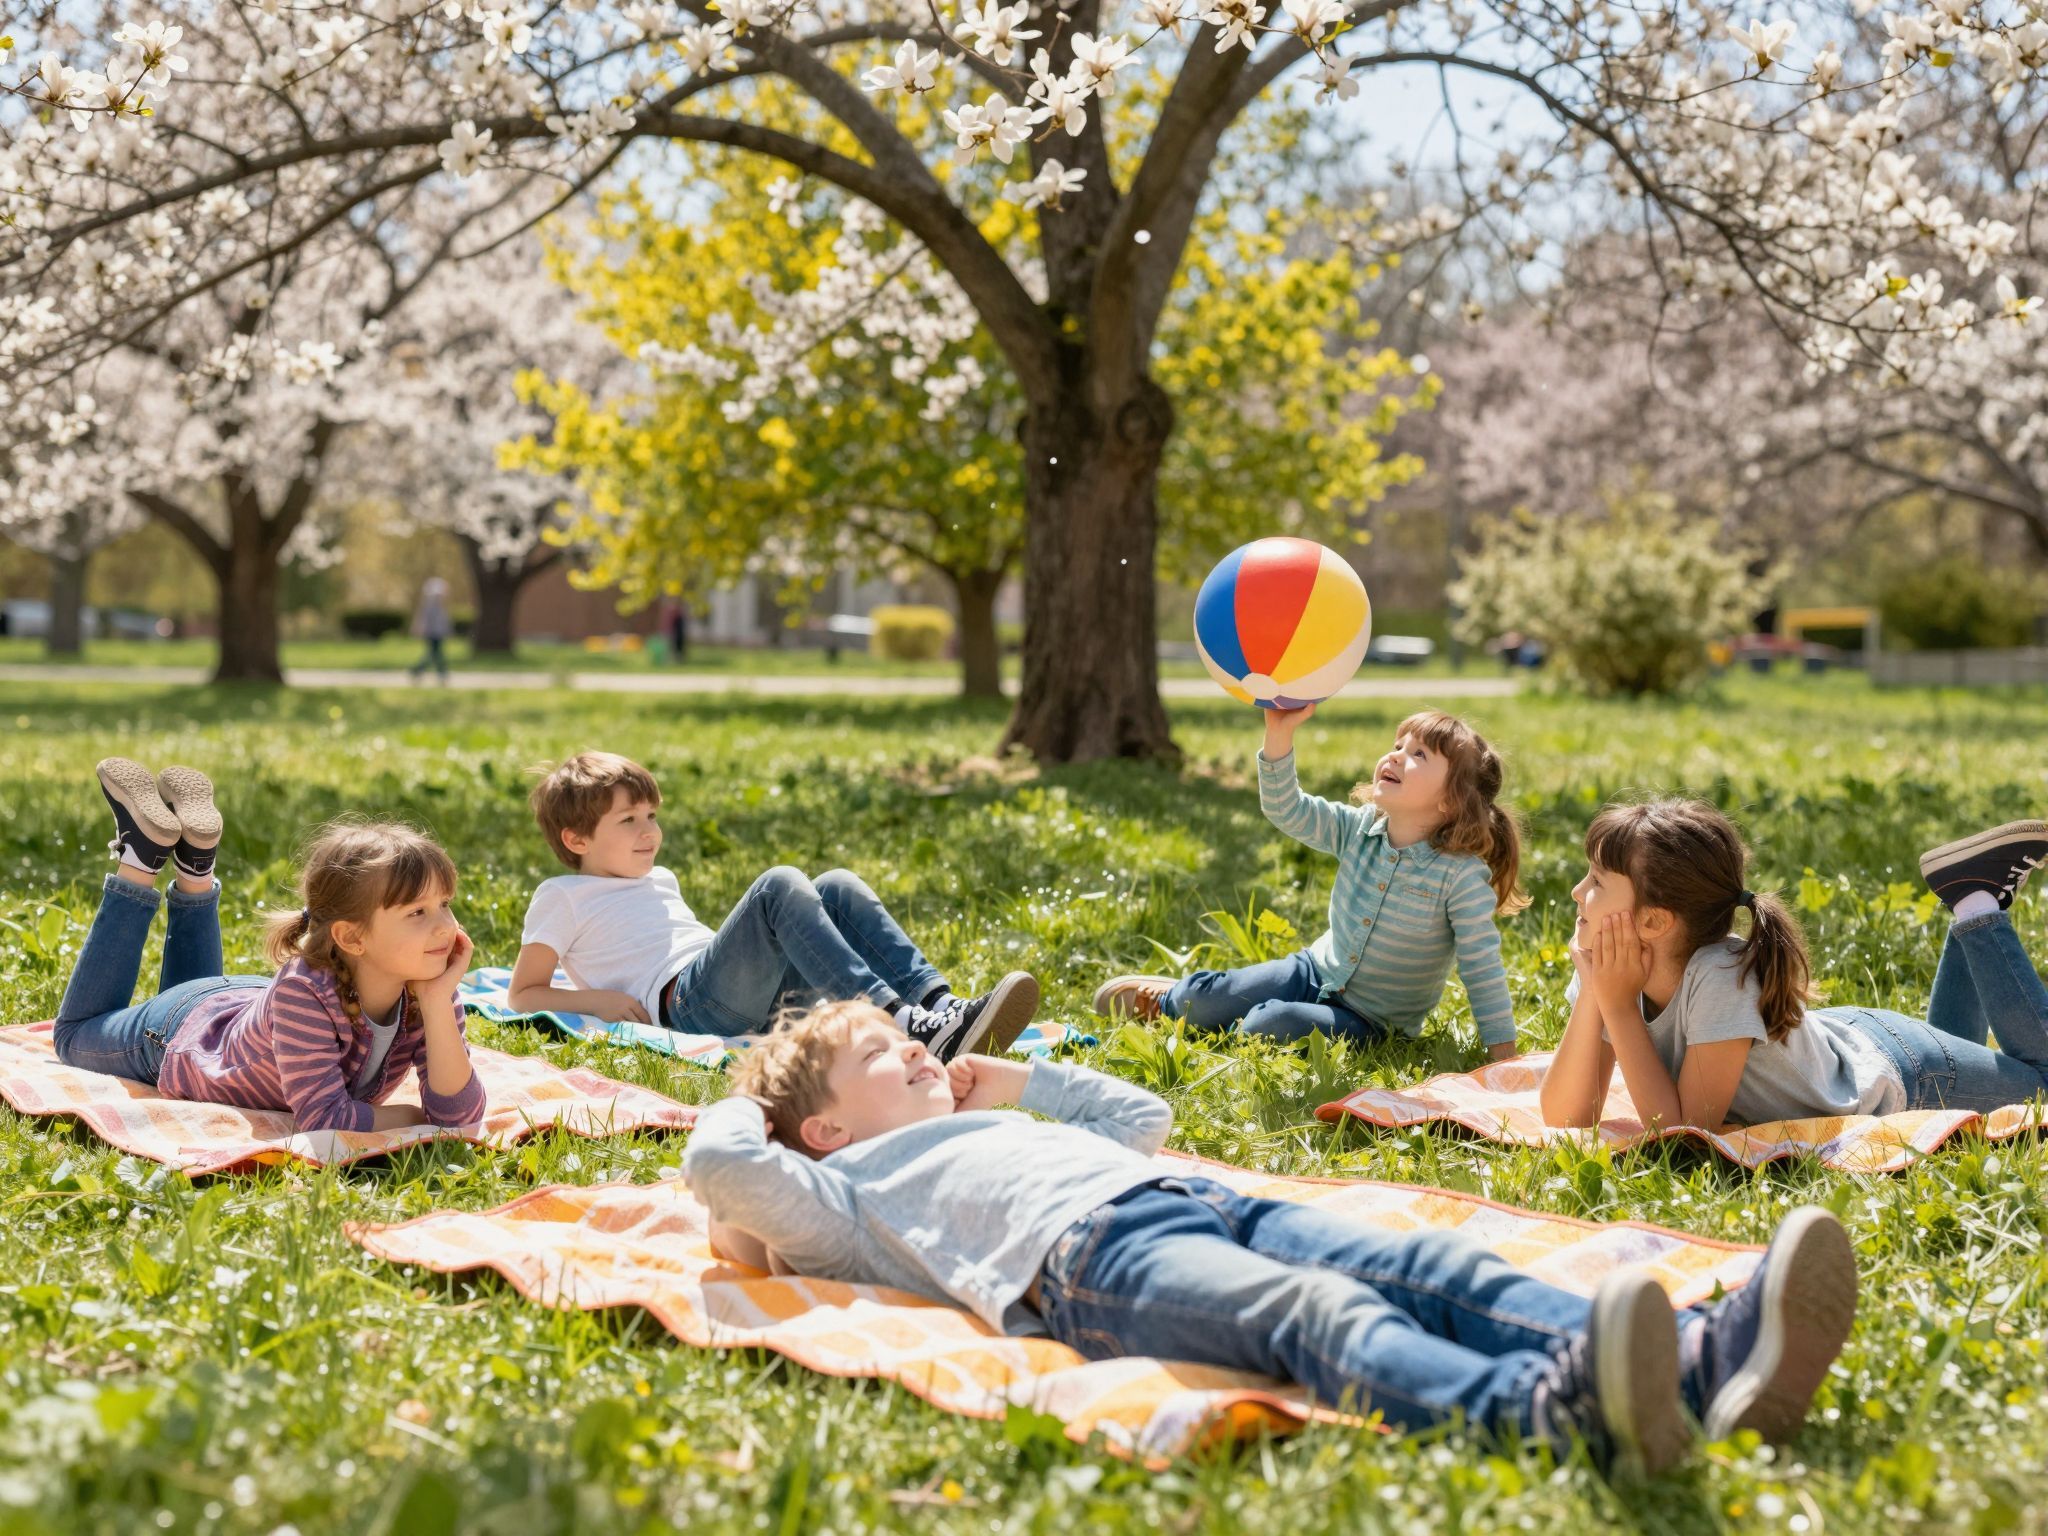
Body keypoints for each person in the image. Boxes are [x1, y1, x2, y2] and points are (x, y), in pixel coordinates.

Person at [685, 999, 1860, 1474]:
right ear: (827, 1125)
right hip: (1088, 1266)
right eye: (882, 1055)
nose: (917, 1047)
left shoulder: (972, 1107)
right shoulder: (838, 1199)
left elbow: (1138, 1118)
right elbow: (718, 1163)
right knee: (1320, 1318)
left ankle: (1700, 1362)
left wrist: (1019, 1081)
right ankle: (1545, 1407)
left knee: (1424, 1264)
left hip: (1190, 1200)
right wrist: (758, 1100)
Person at [1538, 802, 2048, 1130]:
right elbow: (1566, 1117)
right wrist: (1595, 997)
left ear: (1653, 921)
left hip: (1903, 1068)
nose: (1577, 892)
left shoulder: (1719, 976)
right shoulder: (1611, 971)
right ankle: (1972, 901)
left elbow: (1683, 1135)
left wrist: (1617, 1008)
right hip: (1840, 1041)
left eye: (1598, 882)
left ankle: (1977, 905)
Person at [507, 751, 1039, 1059]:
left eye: (651, 816)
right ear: (576, 840)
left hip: (748, 999)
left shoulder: (659, 877)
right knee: (778, 884)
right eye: (629, 821)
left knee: (835, 884)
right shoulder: (563, 896)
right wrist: (595, 1000)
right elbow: (522, 994)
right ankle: (900, 1020)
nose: (651, 833)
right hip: (687, 1007)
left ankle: (939, 1008)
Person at [52, 759, 485, 1133]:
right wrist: (414, 1116)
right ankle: (140, 860)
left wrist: (435, 1003)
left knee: (198, 995)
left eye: (444, 904)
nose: (445, 926)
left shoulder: (428, 987)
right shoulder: (305, 993)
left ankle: (196, 864)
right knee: (72, 1036)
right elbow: (326, 1118)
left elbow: (459, 1116)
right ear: (352, 937)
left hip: (237, 1001)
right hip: (175, 1035)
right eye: (417, 912)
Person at [1095, 707, 1526, 1059]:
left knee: (1269, 1024)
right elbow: (1288, 809)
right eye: (1397, 745)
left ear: (1450, 800)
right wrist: (1278, 734)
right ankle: (1172, 1003)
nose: (1394, 756)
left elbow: (1481, 968)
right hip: (1312, 970)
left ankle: (1228, 1020)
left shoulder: (1461, 877)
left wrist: (1501, 1056)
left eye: (1419, 755)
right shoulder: (1358, 828)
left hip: (1370, 1021)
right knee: (1210, 999)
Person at [409, 576, 453, 684]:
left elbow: (444, 621)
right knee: (435, 654)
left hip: (438, 634)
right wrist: (419, 629)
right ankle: (440, 673)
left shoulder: (440, 606)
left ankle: (418, 671)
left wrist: (447, 630)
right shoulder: (430, 606)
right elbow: (424, 620)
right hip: (432, 633)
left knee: (434, 654)